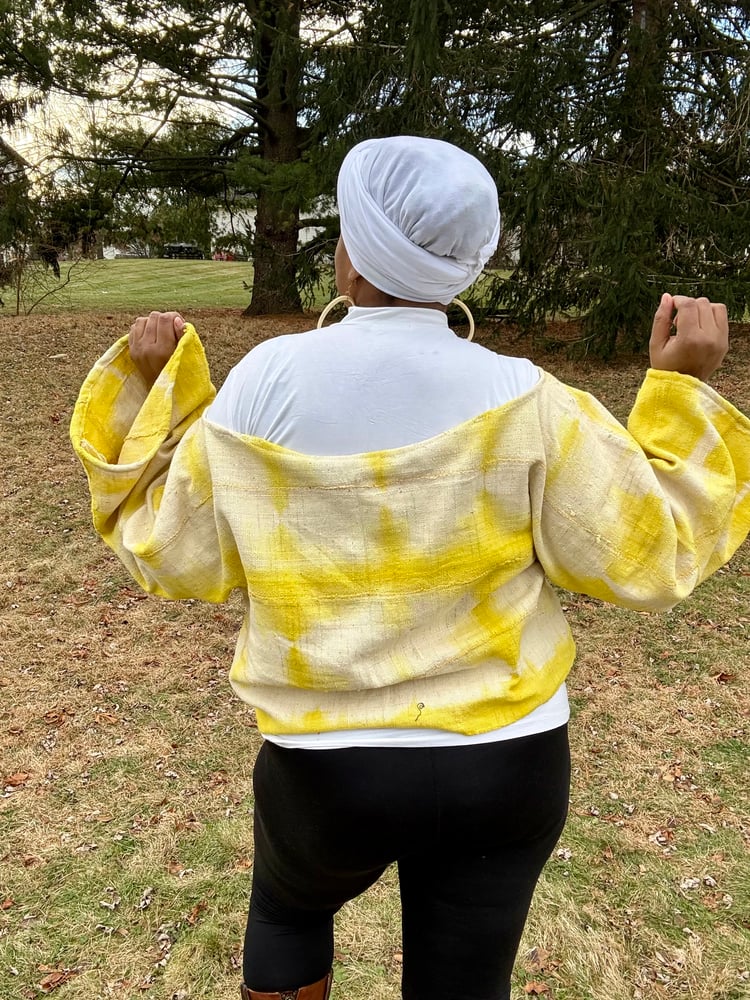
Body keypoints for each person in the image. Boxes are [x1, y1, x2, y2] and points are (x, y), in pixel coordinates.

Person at [70, 136, 750, 1000]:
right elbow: (646, 555)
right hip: (507, 760)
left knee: (287, 916)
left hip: (325, 767)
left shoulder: (264, 382)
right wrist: (683, 385)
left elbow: (174, 555)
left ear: (354, 262)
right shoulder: (529, 397)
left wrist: (153, 386)